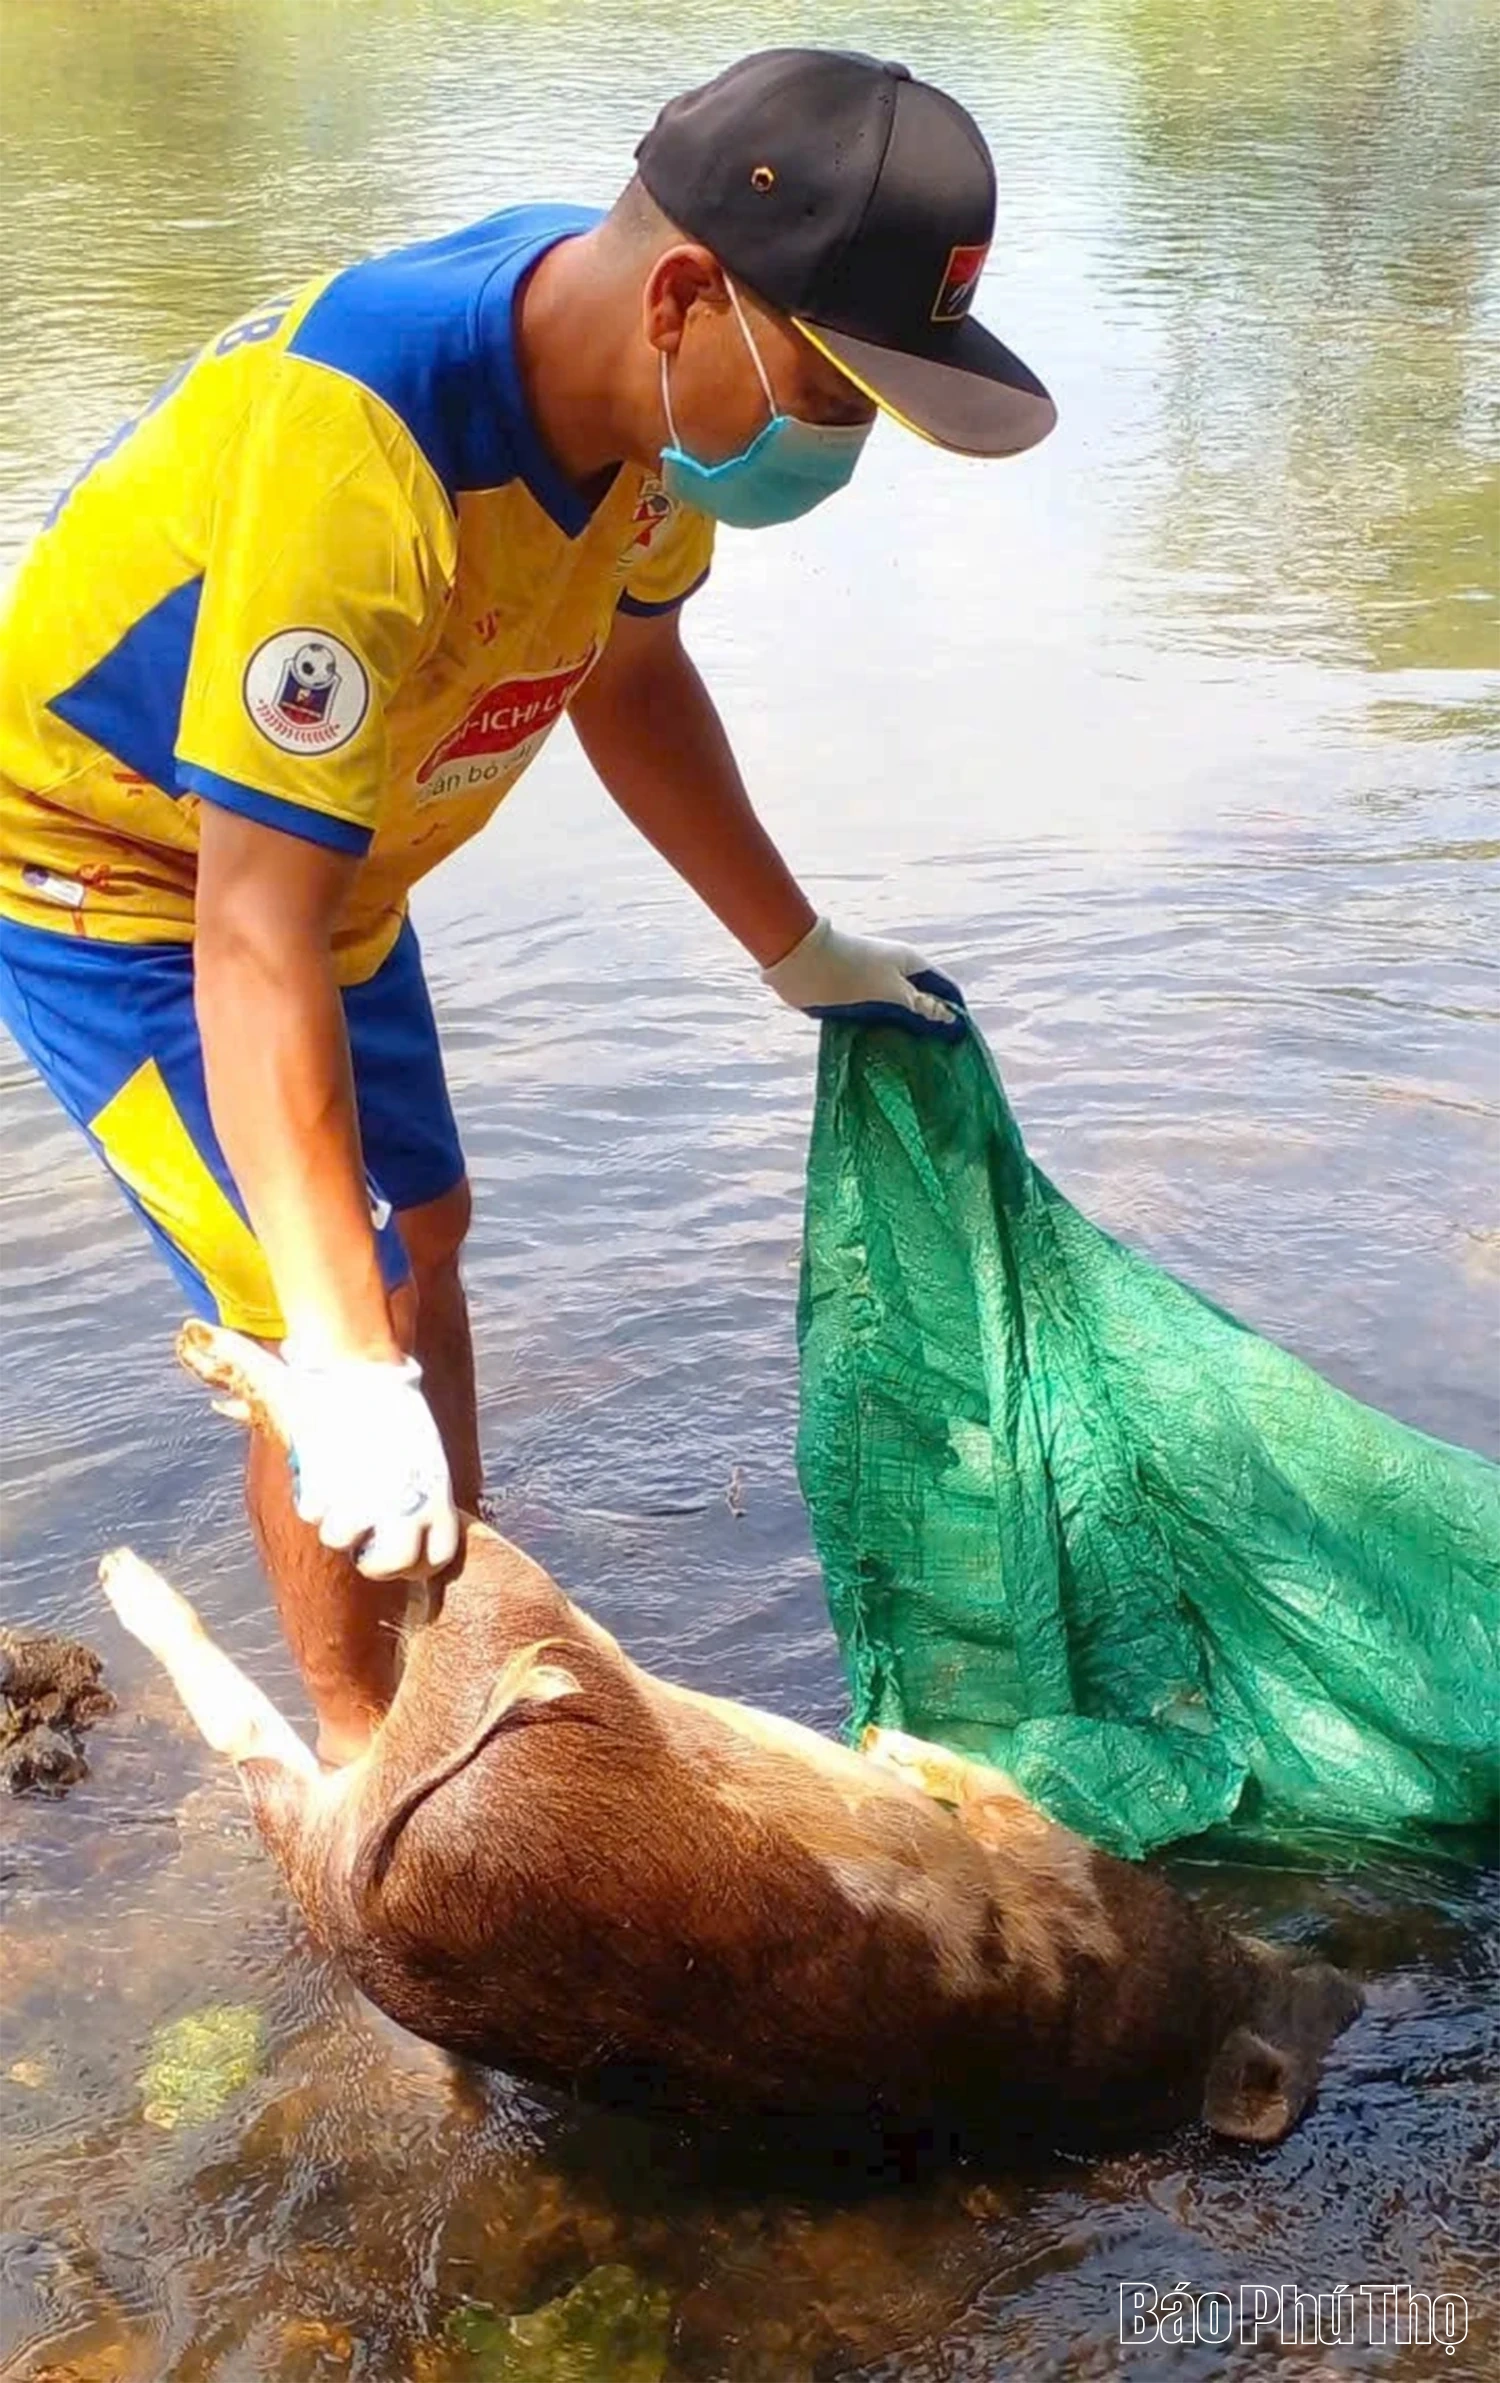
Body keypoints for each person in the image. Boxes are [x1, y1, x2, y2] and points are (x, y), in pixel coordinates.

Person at [0, 49, 1055, 1761]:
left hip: (335, 861)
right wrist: (340, 1367)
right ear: (690, 296)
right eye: (839, 390)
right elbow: (247, 927)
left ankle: (463, 1671)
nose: (845, 443)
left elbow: (631, 683)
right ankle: (374, 1783)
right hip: (127, 870)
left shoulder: (646, 414)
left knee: (427, 1245)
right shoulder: (366, 437)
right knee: (316, 1305)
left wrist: (799, 951)